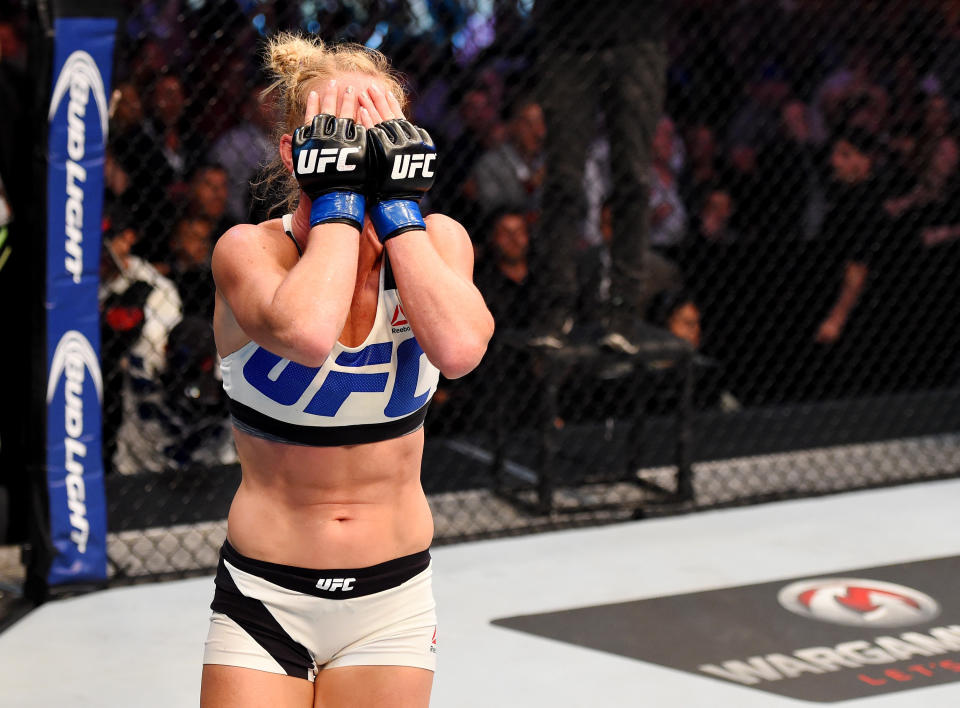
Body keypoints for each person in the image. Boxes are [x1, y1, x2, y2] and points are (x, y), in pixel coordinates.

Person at [201, 34, 494, 708]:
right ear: (292, 151)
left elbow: (460, 351)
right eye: (344, 136)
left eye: (382, 133)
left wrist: (395, 211)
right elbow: (306, 331)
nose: (366, 151)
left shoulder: (440, 240)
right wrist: (335, 194)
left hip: (390, 601)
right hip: (265, 595)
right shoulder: (247, 253)